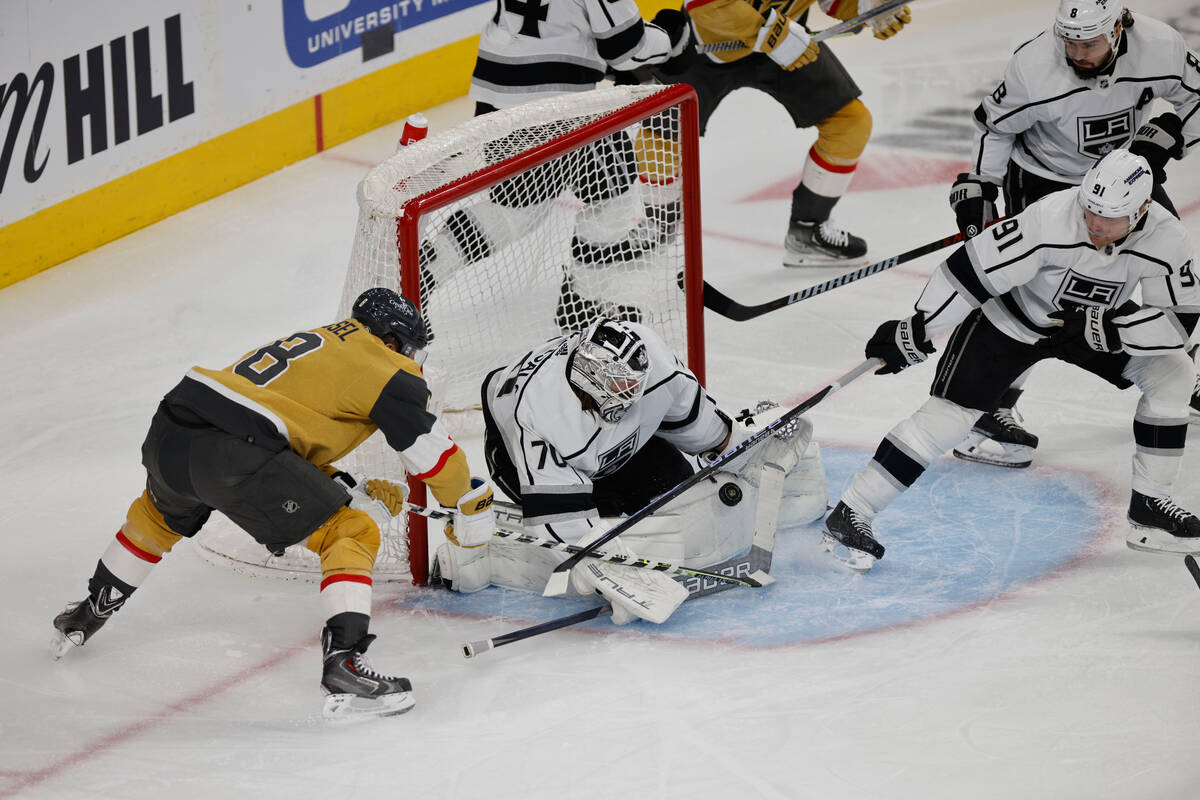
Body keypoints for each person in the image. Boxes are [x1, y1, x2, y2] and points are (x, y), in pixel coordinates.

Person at [51, 288, 496, 720]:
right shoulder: (384, 364)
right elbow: (433, 457)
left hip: (174, 426)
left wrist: (340, 487)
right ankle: (344, 665)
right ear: (392, 341)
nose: (412, 362)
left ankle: (87, 613)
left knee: (155, 518)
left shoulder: (324, 343)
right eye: (411, 350)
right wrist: (466, 504)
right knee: (352, 531)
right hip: (233, 451)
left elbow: (281, 434)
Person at [822, 150, 1200, 574]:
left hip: (1090, 327)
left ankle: (1149, 506)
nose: (1095, 224)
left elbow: (1180, 320)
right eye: (1090, 209)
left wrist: (1116, 331)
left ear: (1143, 209)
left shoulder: (1169, 238)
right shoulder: (1051, 217)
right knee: (948, 416)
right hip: (1011, 322)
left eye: (1110, 218)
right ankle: (852, 510)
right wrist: (918, 327)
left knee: (1175, 372)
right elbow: (969, 270)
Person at [432, 317, 827, 623]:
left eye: (628, 392)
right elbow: (561, 528)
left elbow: (704, 430)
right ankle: (488, 557)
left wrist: (746, 456)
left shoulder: (656, 368)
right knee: (582, 558)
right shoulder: (539, 409)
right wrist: (604, 573)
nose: (622, 401)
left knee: (678, 509)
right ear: (584, 382)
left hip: (617, 450)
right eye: (608, 395)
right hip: (517, 454)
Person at [946, 0, 1200, 467]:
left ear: (1119, 31)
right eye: (1070, 42)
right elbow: (994, 127)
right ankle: (990, 406)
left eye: (1090, 43)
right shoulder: (1032, 67)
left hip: (1123, 180)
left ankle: (1177, 368)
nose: (1078, 53)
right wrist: (983, 184)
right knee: (1033, 294)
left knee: (1165, 262)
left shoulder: (1161, 47)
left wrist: (1174, 135)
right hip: (1046, 177)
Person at [417, 0, 694, 333]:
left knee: (517, 211)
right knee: (614, 195)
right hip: (560, 105)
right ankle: (586, 303)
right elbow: (627, 48)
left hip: (498, 91)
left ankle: (430, 268)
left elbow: (564, 29)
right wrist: (670, 41)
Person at [647, 0, 912, 266]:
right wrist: (775, 35)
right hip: (707, 44)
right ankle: (658, 223)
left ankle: (806, 231)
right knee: (660, 132)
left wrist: (868, 9)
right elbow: (707, 6)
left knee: (850, 122)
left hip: (781, 41)